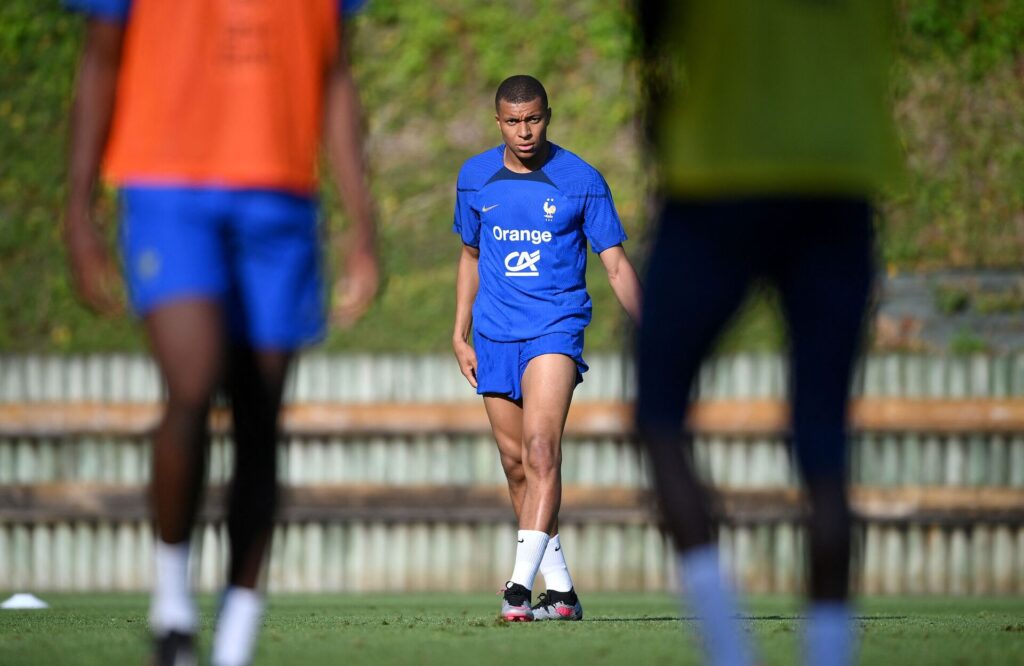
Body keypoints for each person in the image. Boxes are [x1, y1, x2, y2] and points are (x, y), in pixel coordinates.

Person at [63, 1, 378, 664]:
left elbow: (335, 73)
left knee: (260, 419)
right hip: (166, 188)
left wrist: (362, 226)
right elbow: (101, 54)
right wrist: (78, 211)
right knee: (194, 380)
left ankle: (235, 641)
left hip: (281, 198)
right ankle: (173, 610)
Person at [634, 2, 902, 665]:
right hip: (839, 175)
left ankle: (729, 651)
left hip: (717, 171)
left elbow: (652, 21)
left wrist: (657, 108)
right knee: (823, 444)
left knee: (658, 417)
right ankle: (829, 653)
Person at [451, 75, 642, 622]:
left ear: (548, 116)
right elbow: (469, 256)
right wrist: (459, 331)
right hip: (493, 334)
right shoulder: (474, 179)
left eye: (533, 119)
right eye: (513, 121)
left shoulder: (582, 179)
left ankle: (516, 589)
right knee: (515, 467)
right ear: (498, 123)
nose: (524, 131)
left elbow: (617, 264)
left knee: (540, 451)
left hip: (554, 330)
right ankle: (560, 592)